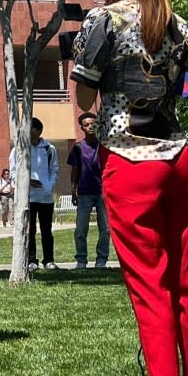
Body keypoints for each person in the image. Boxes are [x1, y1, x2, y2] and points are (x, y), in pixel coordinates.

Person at [70, 0, 188, 376]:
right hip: (179, 159)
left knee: (150, 287)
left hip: (132, 162)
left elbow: (83, 96)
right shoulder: (180, 24)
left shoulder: (103, 21)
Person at [9, 117, 59, 271]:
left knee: (46, 230)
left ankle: (48, 260)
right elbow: (13, 171)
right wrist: (26, 183)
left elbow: (54, 169)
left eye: (30, 128)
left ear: (38, 131)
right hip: (27, 197)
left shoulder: (49, 148)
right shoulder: (19, 148)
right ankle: (31, 260)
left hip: (45, 197)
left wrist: (48, 186)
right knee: (29, 230)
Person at [67, 112, 109, 269]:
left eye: (93, 124)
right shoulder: (78, 148)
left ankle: (102, 259)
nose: (90, 126)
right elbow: (75, 170)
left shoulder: (104, 146)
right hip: (84, 193)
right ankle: (81, 260)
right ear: (82, 128)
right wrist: (73, 191)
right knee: (80, 230)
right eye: (86, 125)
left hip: (102, 193)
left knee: (105, 229)